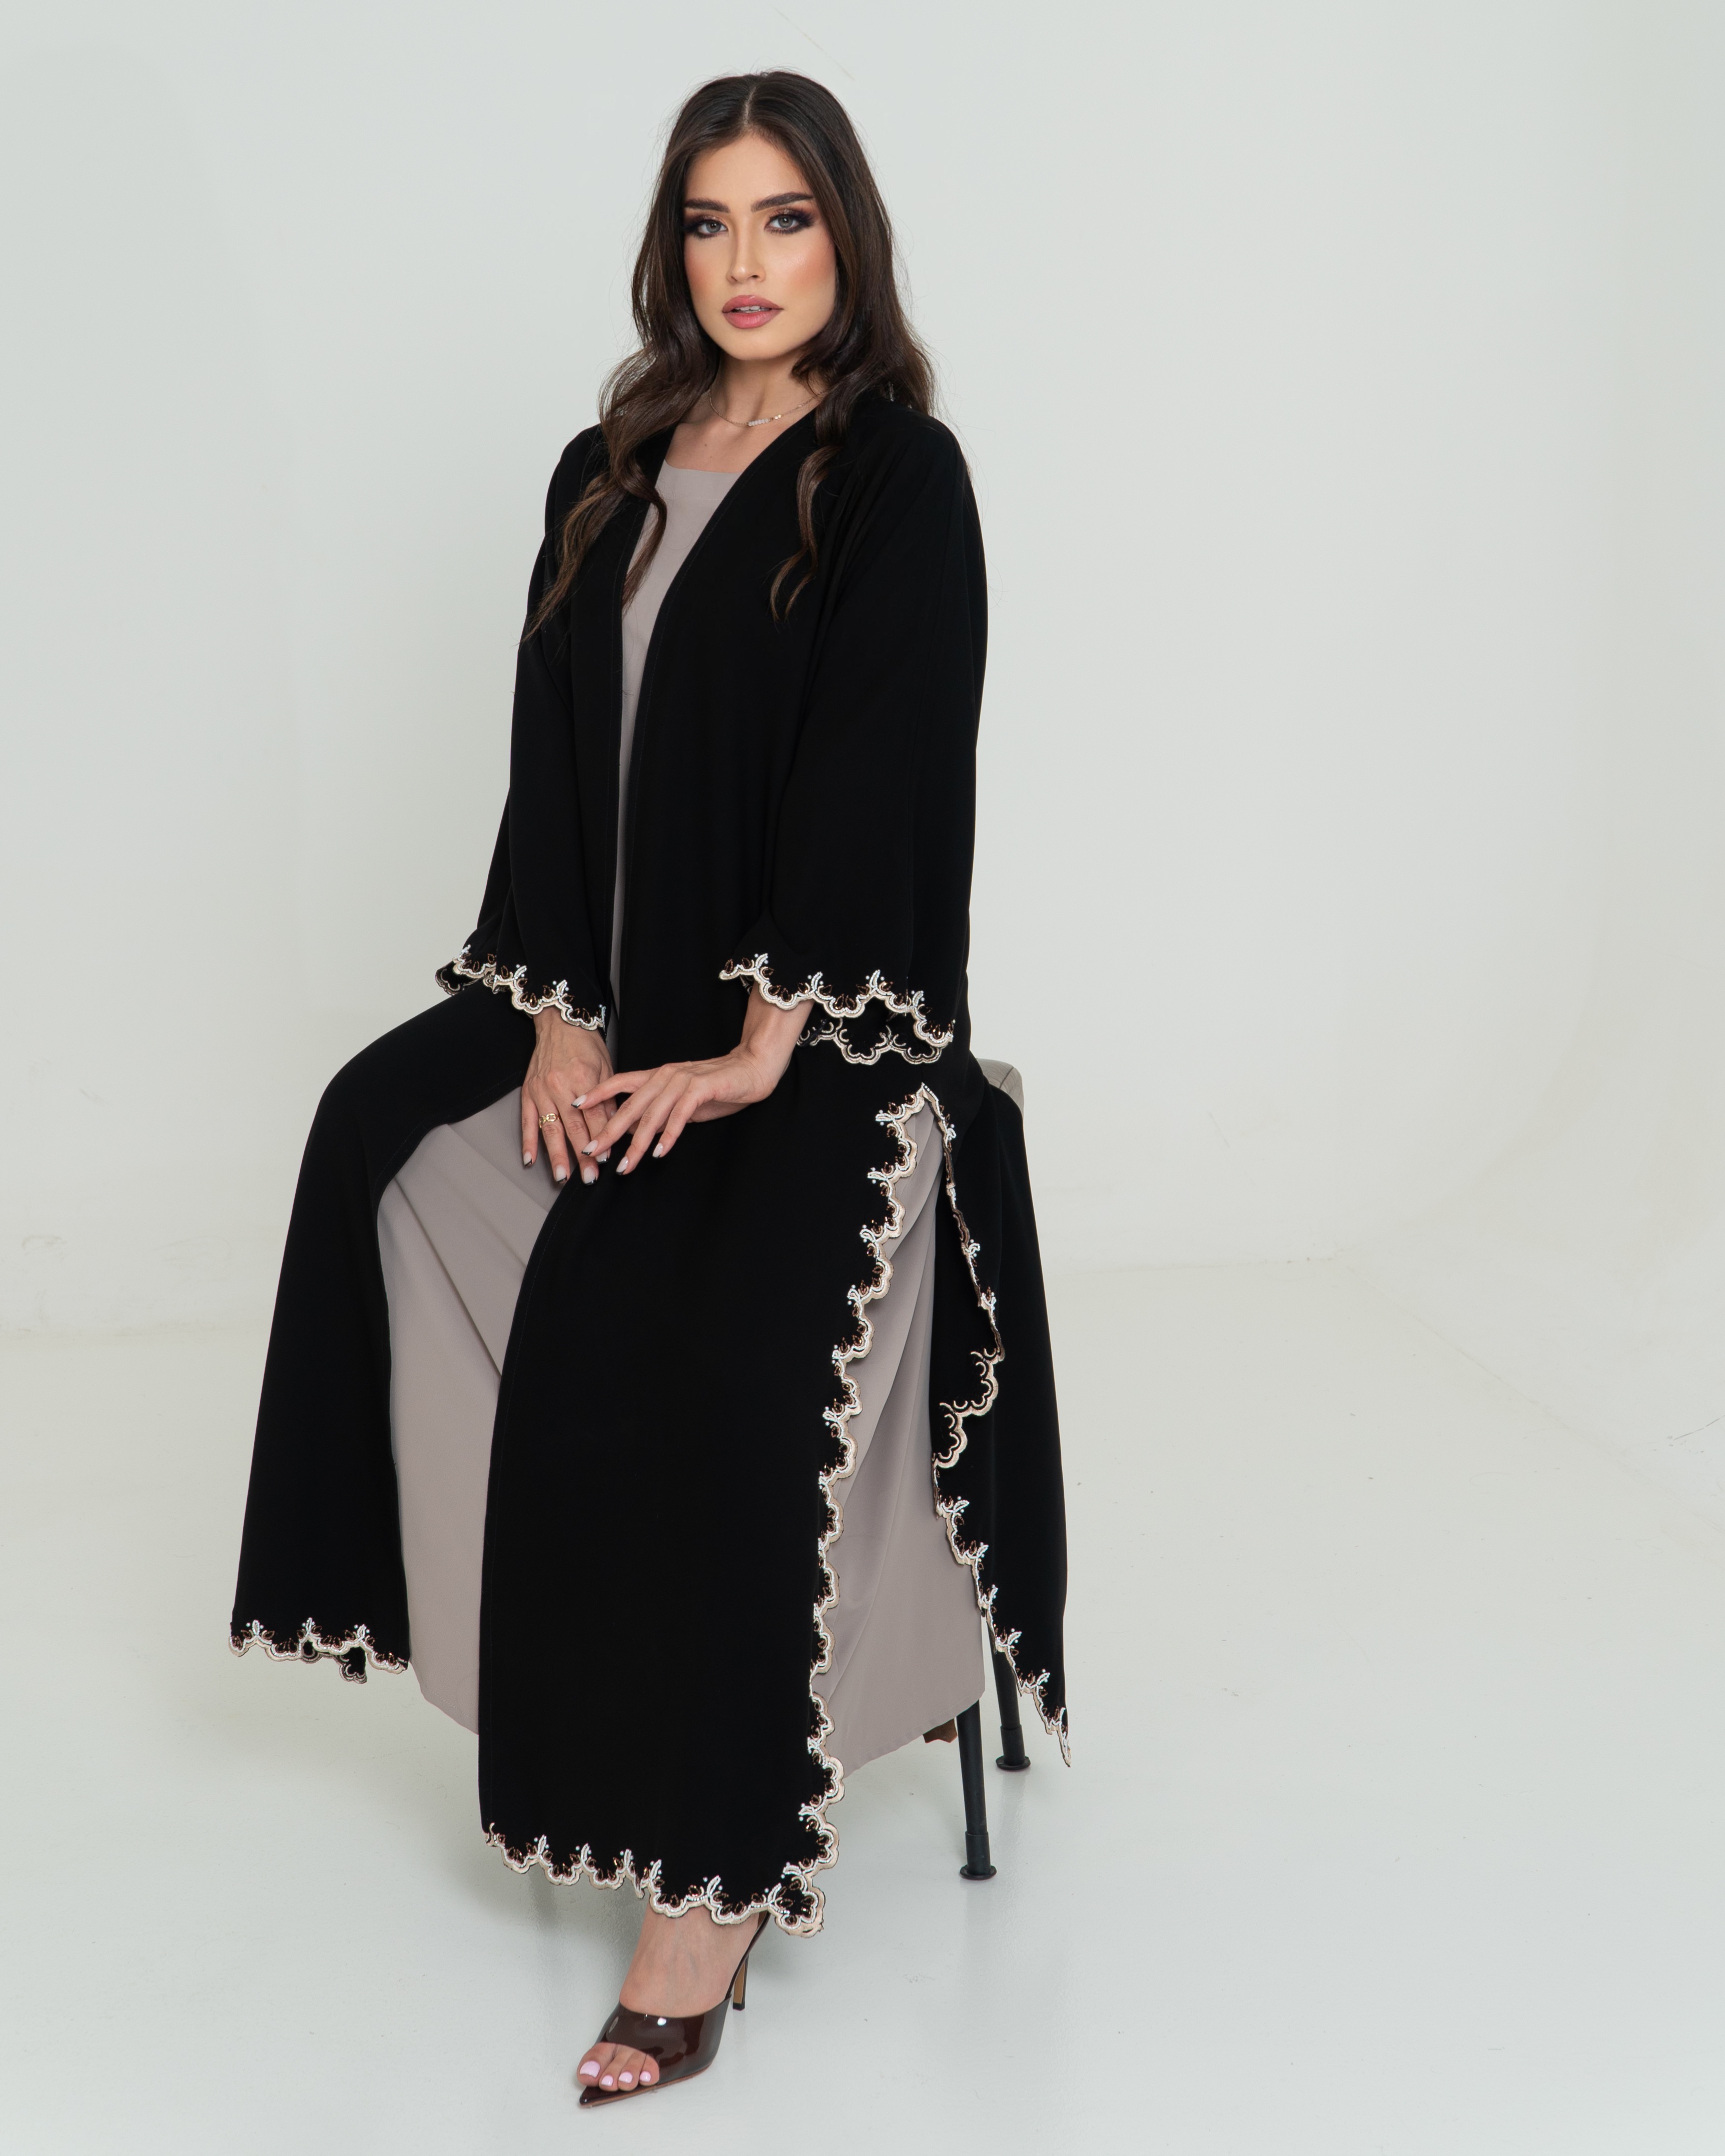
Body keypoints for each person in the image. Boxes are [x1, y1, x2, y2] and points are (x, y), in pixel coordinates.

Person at [231, 69, 1067, 2106]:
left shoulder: (895, 476)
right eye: (710, 223)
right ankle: (549, 1671)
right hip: (611, 991)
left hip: (830, 1023)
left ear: (846, 237)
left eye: (785, 220)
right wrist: (554, 1013)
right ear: (668, 246)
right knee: (378, 1134)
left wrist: (766, 1036)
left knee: (717, 1331)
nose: (746, 265)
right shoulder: (605, 466)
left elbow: (886, 761)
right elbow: (551, 760)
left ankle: (705, 1902)